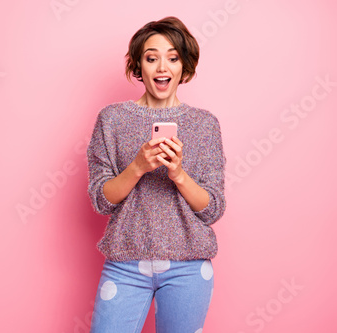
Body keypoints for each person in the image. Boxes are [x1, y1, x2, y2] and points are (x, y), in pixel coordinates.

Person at [86, 16, 227, 332]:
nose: (162, 67)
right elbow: (101, 199)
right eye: (152, 58)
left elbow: (213, 207)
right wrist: (136, 168)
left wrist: (178, 173)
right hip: (124, 265)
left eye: (173, 58)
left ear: (184, 66)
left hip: (189, 268)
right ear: (139, 65)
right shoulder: (112, 120)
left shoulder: (205, 125)